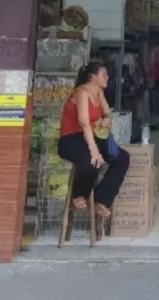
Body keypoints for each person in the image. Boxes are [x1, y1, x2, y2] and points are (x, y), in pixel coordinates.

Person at [57, 61, 130, 226]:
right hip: (71, 139)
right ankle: (79, 194)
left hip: (92, 136)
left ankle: (101, 200)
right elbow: (84, 123)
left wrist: (106, 119)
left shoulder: (99, 93)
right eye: (104, 75)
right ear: (93, 77)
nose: (107, 77)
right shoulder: (82, 92)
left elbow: (107, 112)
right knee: (92, 161)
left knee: (122, 158)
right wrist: (94, 151)